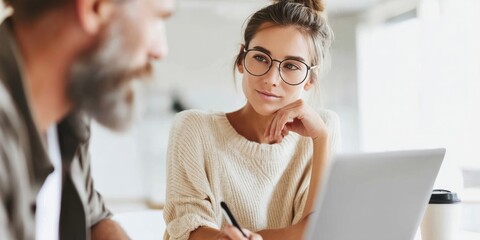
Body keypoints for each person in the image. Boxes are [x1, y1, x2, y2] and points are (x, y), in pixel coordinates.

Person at [163, 0, 339, 240]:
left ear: (311, 78)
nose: (271, 79)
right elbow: (186, 228)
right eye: (261, 58)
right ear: (241, 60)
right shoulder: (194, 129)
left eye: (290, 66)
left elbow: (320, 231)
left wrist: (321, 139)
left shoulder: (323, 128)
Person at [0, 0, 174, 239]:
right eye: (156, 19)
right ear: (94, 8)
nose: (160, 50)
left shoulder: (64, 113)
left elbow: (93, 219)